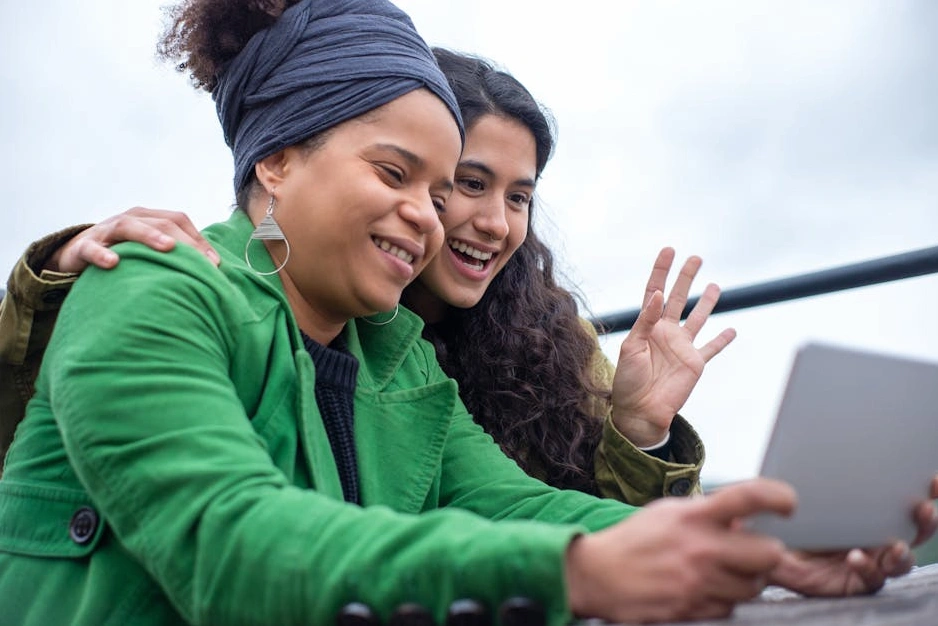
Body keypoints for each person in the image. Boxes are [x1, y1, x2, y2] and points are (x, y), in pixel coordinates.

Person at [0, 2, 935, 623]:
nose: (430, 215)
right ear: (275, 161)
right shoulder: (154, 288)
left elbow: (517, 504)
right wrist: (566, 573)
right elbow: (228, 539)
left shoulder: (396, 357)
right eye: (395, 173)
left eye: (441, 187)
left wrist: (756, 542)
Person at [1, 50, 718, 505]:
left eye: (520, 196)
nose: (496, 222)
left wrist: (638, 435)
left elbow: (564, 527)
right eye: (463, 183)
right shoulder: (232, 298)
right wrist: (58, 283)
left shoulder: (552, 347)